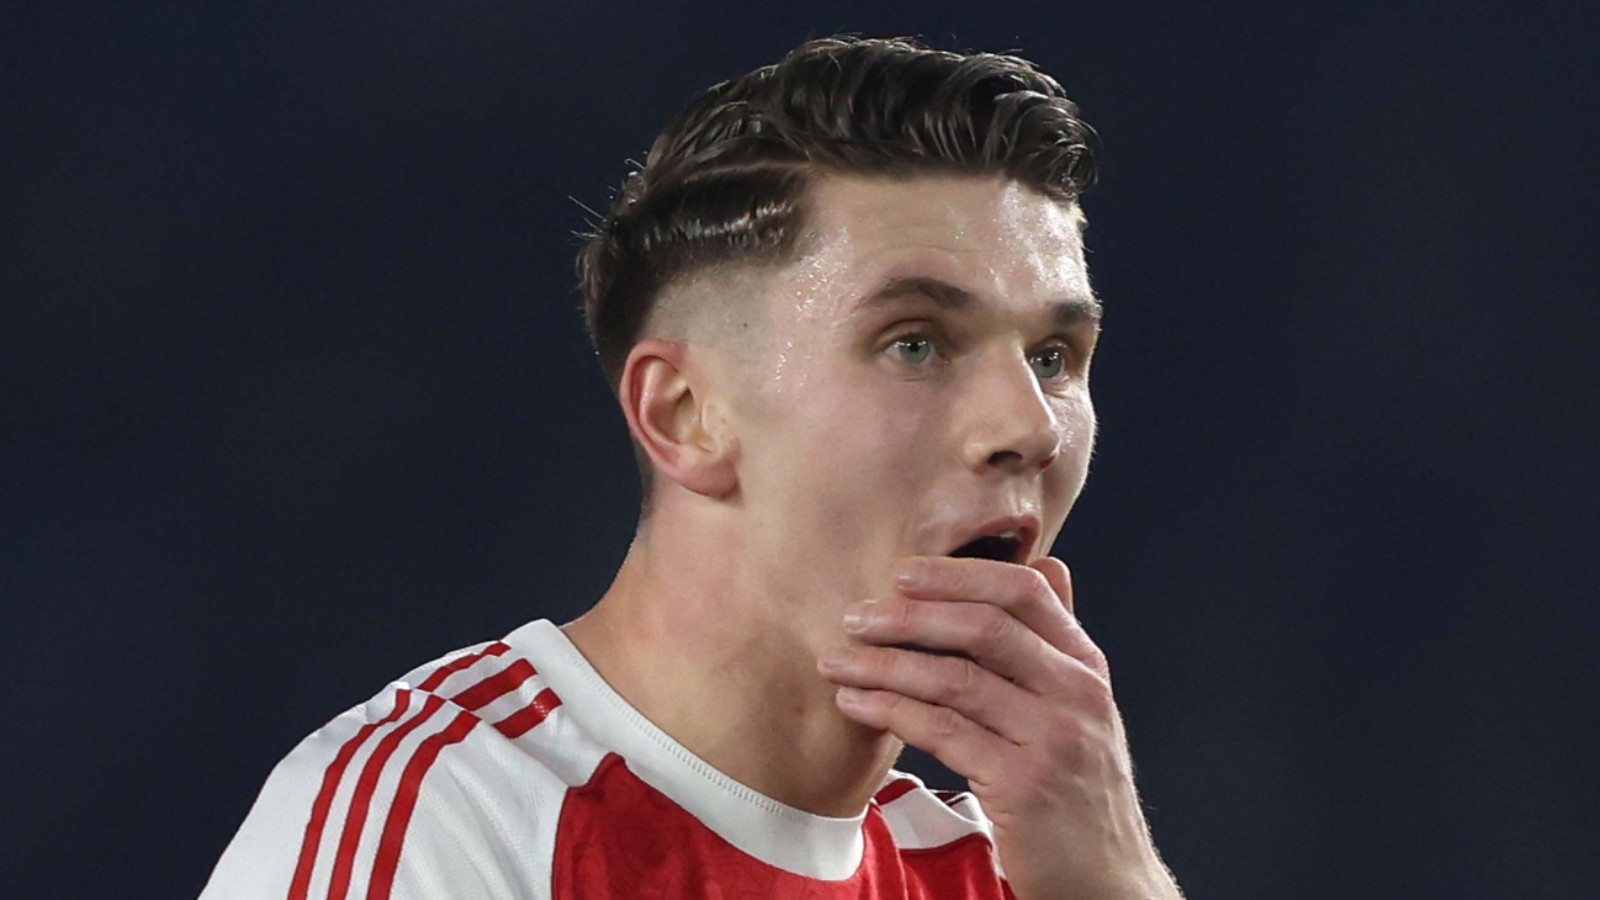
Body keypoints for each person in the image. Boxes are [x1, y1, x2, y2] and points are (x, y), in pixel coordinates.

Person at [201, 35, 1184, 900]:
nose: (1028, 425)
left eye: (1052, 357)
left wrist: (1113, 874)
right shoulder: (446, 820)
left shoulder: (1007, 868)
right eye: (915, 343)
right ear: (685, 417)